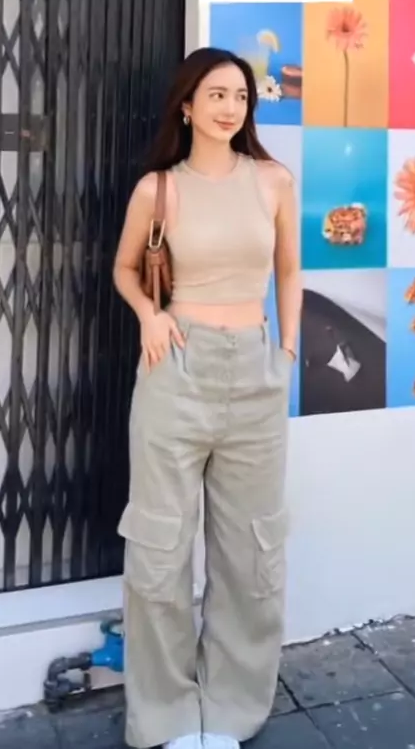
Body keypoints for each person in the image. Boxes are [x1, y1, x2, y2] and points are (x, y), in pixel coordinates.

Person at [113, 47, 302, 749]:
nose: (230, 108)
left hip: (255, 369)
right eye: (216, 94)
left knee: (252, 549)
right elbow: (125, 268)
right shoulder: (158, 189)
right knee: (159, 547)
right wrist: (149, 314)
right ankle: (164, 713)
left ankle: (231, 709)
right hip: (176, 366)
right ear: (187, 105)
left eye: (241, 97)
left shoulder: (273, 181)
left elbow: (290, 271)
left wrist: (285, 353)